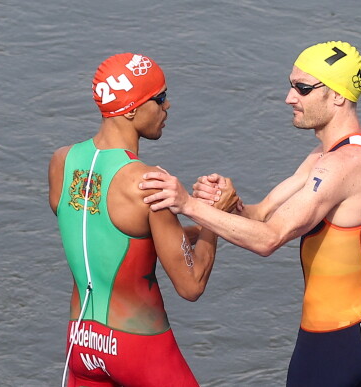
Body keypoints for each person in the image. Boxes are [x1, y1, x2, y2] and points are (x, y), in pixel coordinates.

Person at [140, 41, 361, 386]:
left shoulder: (341, 166)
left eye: (303, 88)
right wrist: (228, 203)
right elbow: (261, 217)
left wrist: (188, 205)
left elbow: (269, 239)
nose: (290, 98)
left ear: (337, 95)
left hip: (336, 338)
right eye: (291, 85)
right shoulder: (337, 157)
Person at [48, 53, 238, 387]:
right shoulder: (149, 184)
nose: (168, 107)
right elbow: (190, 285)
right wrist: (212, 220)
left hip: (81, 344)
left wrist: (186, 230)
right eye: (160, 99)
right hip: (139, 348)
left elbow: (106, 233)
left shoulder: (62, 163)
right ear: (132, 109)